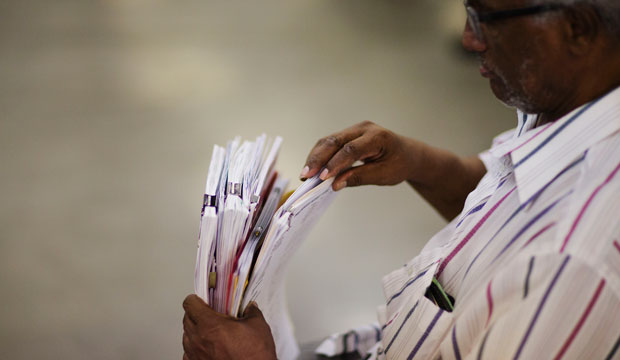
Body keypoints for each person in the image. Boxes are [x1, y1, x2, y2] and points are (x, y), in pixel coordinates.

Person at [182, 0, 620, 358]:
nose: (469, 39)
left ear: (576, 29)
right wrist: (419, 163)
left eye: (482, 16)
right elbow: (513, 201)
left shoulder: (574, 265)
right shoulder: (570, 108)